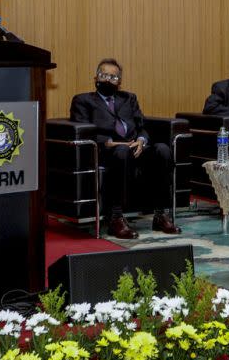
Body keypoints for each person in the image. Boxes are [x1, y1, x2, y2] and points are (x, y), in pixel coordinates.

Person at [70, 58, 181, 240]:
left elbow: (142, 125)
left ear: (119, 82)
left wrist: (141, 140)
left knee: (162, 150)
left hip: (134, 148)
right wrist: (109, 142)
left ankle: (160, 215)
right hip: (107, 151)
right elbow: (83, 130)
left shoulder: (129, 98)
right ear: (95, 78)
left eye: (113, 77)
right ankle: (115, 219)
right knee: (122, 152)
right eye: (104, 75)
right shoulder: (83, 100)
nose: (108, 80)